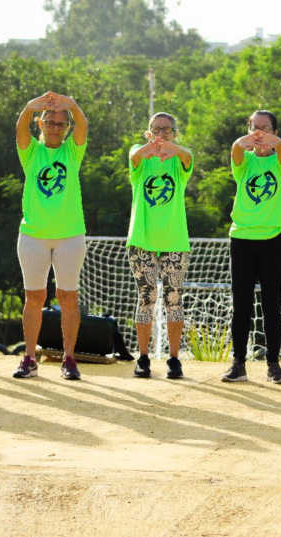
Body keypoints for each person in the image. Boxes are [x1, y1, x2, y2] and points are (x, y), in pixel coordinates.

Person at [12, 92, 88, 380]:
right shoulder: (30, 152)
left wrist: (72, 104)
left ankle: (69, 359)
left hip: (70, 236)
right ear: (40, 125)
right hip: (33, 235)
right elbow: (19, 127)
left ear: (66, 129)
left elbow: (83, 126)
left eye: (61, 123)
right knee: (34, 297)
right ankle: (29, 358)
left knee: (68, 297)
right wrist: (33, 105)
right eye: (50, 121)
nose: (55, 126)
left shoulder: (72, 152)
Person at [221, 110, 281, 385]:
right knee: (241, 305)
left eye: (266, 128)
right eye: (255, 128)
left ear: (275, 132)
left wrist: (274, 142)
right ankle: (238, 363)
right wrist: (247, 140)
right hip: (242, 239)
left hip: (274, 238)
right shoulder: (244, 162)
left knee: (272, 305)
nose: (260, 133)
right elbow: (236, 150)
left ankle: (274, 364)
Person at [127, 112, 193, 380]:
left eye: (167, 130)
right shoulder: (140, 159)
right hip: (142, 241)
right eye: (156, 130)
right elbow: (134, 156)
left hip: (174, 241)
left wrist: (171, 148)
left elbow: (188, 156)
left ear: (175, 134)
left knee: (173, 301)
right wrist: (153, 146)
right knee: (146, 300)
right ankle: (142, 358)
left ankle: (174, 359)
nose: (161, 134)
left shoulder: (179, 162)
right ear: (148, 132)